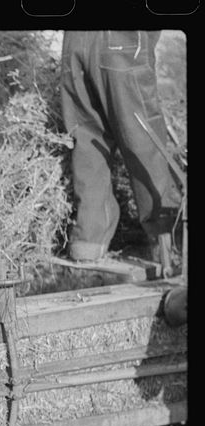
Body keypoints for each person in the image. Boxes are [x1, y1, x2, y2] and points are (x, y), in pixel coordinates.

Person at [60, 30, 182, 264]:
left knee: (88, 140)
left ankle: (88, 241)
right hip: (122, 42)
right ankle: (166, 244)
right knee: (142, 138)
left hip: (74, 43)